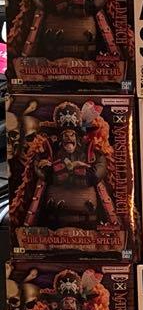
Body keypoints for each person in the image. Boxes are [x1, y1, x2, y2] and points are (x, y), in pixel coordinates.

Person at [12, 100, 121, 240]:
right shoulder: (47, 152)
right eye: (65, 134)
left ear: (78, 137)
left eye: (71, 134)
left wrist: (67, 169)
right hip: (53, 226)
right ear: (59, 138)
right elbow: (44, 173)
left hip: (89, 224)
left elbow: (95, 175)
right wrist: (66, 168)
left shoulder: (94, 153)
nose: (68, 137)